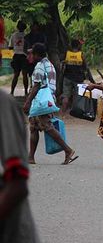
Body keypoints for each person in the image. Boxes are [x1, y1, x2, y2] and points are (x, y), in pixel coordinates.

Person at [23, 43, 77, 166]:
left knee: (47, 127)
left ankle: (68, 150)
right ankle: (31, 157)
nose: (30, 56)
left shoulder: (39, 66)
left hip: (40, 102)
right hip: (47, 100)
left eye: (32, 53)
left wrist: (27, 102)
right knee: (34, 127)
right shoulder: (50, 65)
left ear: (37, 54)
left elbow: (36, 86)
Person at [0, 90, 41, 243]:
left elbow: (17, 183)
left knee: (39, 128)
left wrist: (29, 101)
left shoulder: (2, 104)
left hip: (11, 232)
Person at [60, 39, 94, 114]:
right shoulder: (81, 54)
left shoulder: (67, 54)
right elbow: (86, 68)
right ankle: (75, 112)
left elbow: (62, 64)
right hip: (78, 79)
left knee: (66, 96)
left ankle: (62, 113)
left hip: (67, 77)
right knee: (77, 96)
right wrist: (91, 80)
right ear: (78, 46)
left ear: (71, 45)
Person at [9, 21, 29, 96]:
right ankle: (26, 92)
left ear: (17, 27)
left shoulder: (13, 35)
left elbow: (10, 47)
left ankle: (12, 92)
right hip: (24, 56)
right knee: (25, 75)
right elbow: (27, 46)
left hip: (16, 56)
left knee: (16, 75)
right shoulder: (26, 36)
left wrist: (16, 47)